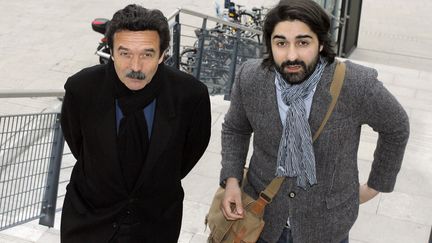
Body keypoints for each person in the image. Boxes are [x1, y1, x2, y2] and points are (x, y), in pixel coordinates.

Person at [219, 0, 409, 242]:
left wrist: (375, 186)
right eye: (281, 43)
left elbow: (396, 126)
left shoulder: (356, 83)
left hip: (326, 228)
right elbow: (235, 128)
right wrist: (232, 180)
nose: (291, 55)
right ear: (269, 44)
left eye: (303, 42)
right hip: (262, 221)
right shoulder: (251, 77)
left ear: (320, 43)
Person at [60, 4, 211, 243]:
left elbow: (190, 152)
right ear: (111, 51)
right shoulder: (81, 89)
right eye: (125, 53)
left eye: (147, 54)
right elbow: (78, 144)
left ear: (163, 54)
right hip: (88, 223)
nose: (135, 66)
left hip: (155, 226)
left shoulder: (191, 96)